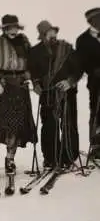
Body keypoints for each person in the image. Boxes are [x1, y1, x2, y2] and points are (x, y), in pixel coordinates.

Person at [0, 15, 36, 189]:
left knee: (16, 126)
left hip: (19, 87)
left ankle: (10, 160)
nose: (13, 30)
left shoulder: (24, 41)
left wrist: (29, 78)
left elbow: (31, 64)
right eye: (9, 27)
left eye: (15, 27)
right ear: (4, 28)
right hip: (2, 86)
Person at [28, 21, 82, 169]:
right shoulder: (35, 52)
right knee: (49, 126)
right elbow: (33, 71)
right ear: (42, 35)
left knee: (69, 124)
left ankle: (69, 156)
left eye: (53, 31)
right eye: (48, 32)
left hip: (67, 92)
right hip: (47, 94)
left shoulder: (67, 48)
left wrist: (69, 81)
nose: (52, 35)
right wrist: (36, 83)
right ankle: (50, 158)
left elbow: (78, 69)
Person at [75, 8, 100, 159]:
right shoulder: (82, 39)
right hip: (96, 82)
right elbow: (81, 62)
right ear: (92, 21)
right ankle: (96, 146)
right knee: (97, 112)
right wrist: (94, 70)